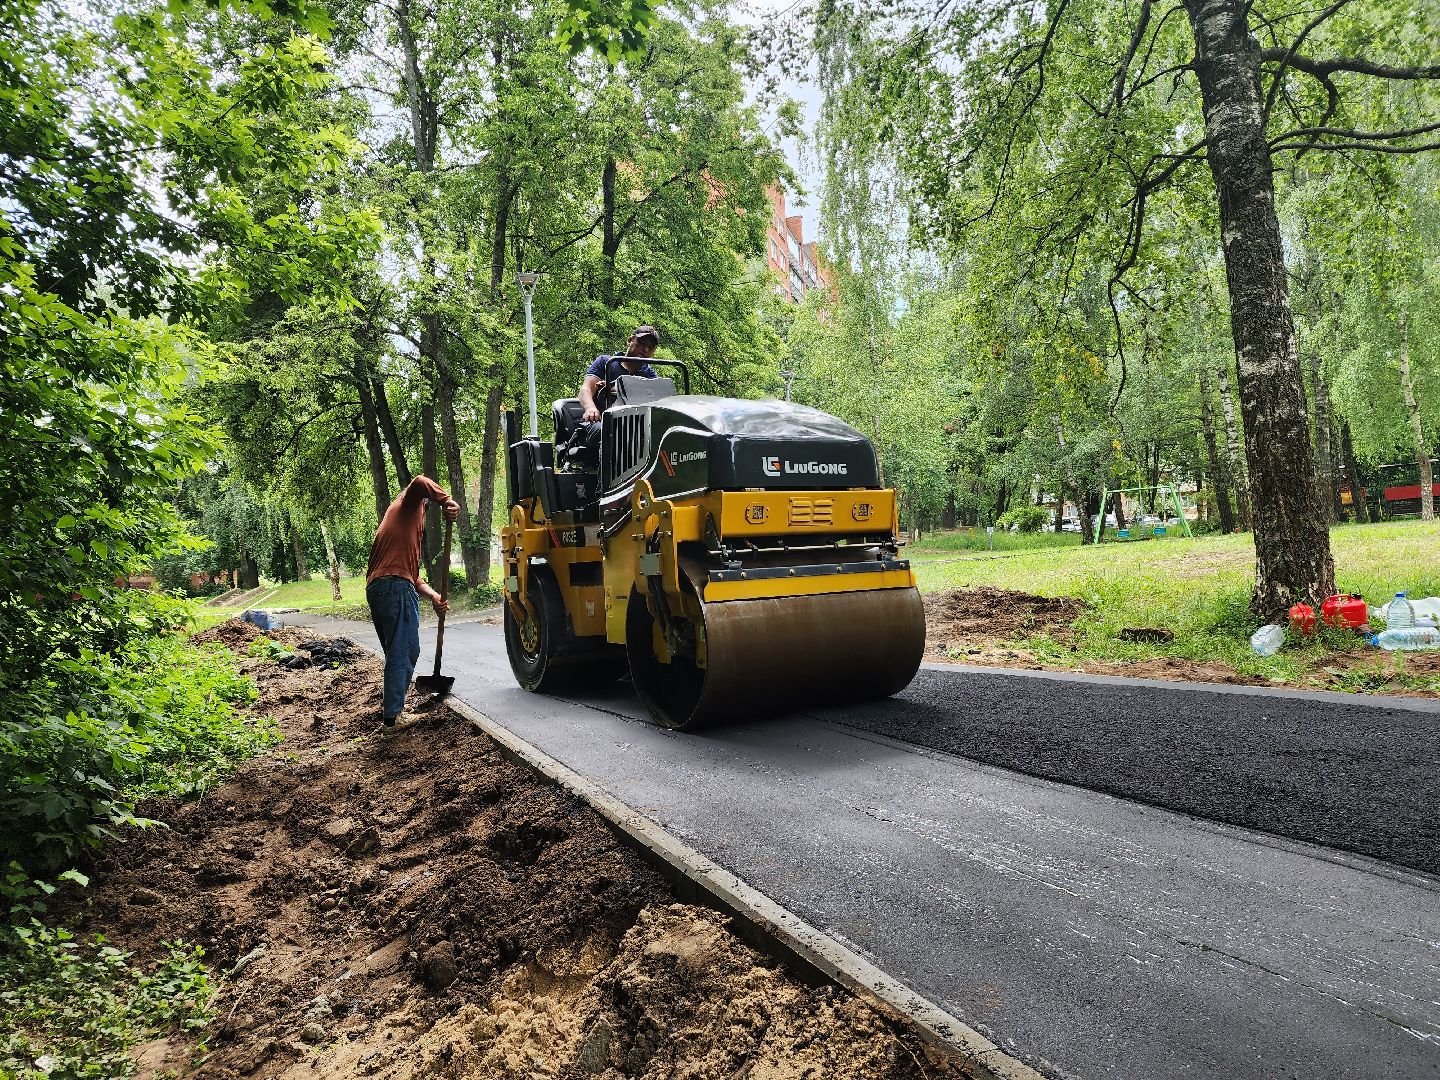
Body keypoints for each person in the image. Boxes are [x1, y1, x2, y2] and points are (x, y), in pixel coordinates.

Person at [365, 475, 461, 732]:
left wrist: (434, 597)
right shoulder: (407, 506)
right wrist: (447, 500)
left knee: (397, 651)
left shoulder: (399, 527)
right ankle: (393, 718)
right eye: (427, 508)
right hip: (395, 588)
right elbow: (419, 481)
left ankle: (392, 712)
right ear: (424, 504)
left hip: (379, 589)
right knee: (405, 650)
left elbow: (413, 576)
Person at [571, 325, 660, 463]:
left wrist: (616, 390)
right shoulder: (606, 363)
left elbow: (654, 403)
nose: (645, 349)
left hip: (633, 427)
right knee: (610, 433)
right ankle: (605, 483)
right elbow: (586, 389)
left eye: (651, 347)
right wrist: (590, 408)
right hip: (599, 422)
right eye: (642, 343)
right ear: (630, 340)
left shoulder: (650, 376)